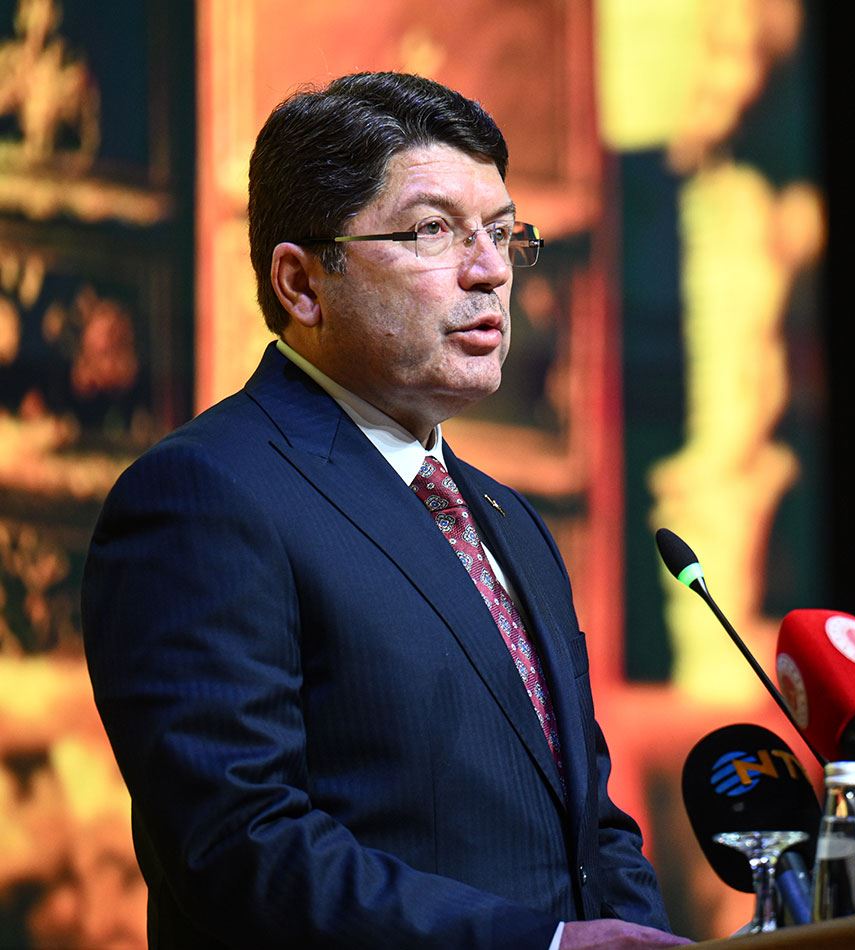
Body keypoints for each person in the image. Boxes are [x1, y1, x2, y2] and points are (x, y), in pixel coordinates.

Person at [81, 72, 690, 949]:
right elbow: (240, 847)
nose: (490, 271)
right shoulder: (204, 497)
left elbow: (592, 826)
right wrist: (543, 947)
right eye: (433, 230)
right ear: (301, 283)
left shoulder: (511, 521)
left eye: (502, 232)